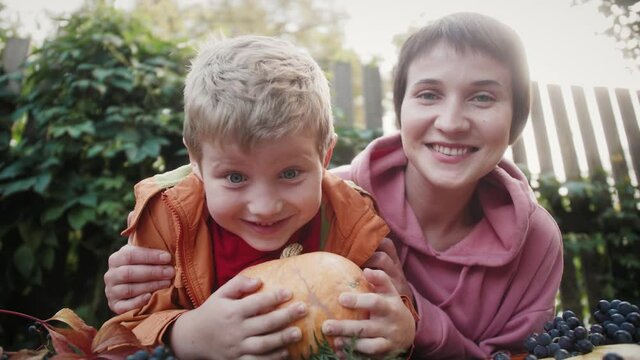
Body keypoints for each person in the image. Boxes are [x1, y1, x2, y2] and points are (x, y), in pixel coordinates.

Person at [104, 12, 564, 359]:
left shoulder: (348, 217)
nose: (452, 121)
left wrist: (415, 320)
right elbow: (125, 330)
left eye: (483, 96)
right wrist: (174, 325)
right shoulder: (325, 197)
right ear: (400, 107)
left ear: (517, 115)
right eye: (428, 93)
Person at [102, 35, 416, 359]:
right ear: (195, 161)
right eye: (235, 178)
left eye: (290, 174)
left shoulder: (352, 219)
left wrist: (403, 327)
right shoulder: (167, 217)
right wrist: (191, 335)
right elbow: (120, 336)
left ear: (325, 157)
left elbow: (387, 314)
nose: (265, 207)